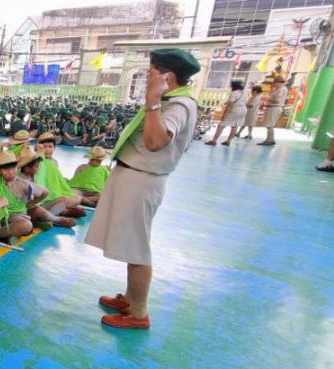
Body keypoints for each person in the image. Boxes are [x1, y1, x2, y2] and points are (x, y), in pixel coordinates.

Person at [85, 48, 200, 329]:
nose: (148, 79)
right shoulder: (172, 100)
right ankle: (130, 298)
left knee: (137, 248)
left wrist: (152, 101)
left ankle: (138, 314)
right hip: (133, 175)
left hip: (142, 179)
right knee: (131, 244)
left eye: (151, 74)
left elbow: (155, 141)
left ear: (167, 77)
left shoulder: (178, 106)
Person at [206, 80, 246, 146]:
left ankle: (214, 141)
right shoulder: (243, 93)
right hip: (243, 110)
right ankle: (228, 141)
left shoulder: (234, 93)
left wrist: (224, 114)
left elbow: (229, 105)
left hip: (235, 109)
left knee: (221, 124)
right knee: (235, 126)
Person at [258, 77, 287, 146]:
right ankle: (270, 139)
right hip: (272, 108)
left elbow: (277, 100)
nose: (273, 84)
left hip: (274, 108)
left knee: (269, 125)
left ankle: (269, 140)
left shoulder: (281, 89)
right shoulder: (278, 89)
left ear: (279, 82)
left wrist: (267, 98)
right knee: (269, 125)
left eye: (275, 83)